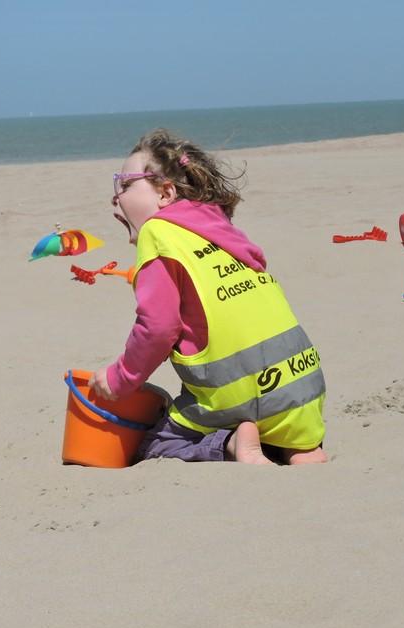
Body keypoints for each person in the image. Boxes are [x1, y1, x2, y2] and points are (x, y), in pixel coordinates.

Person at [88, 129, 327, 465]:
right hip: (304, 385)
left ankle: (231, 444)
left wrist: (120, 377)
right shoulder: (221, 232)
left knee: (155, 444)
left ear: (166, 193)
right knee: (297, 443)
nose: (115, 198)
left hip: (238, 394)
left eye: (125, 185)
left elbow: (158, 328)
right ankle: (302, 450)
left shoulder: (158, 232)